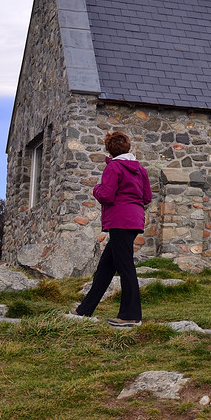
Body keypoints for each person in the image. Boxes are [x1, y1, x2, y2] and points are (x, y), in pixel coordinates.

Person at [70, 131, 152, 327]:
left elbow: (106, 195)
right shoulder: (140, 170)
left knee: (125, 267)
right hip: (133, 221)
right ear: (128, 147)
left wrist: (95, 189)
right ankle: (84, 311)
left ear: (109, 148)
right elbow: (147, 197)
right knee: (105, 268)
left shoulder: (114, 167)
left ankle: (131, 316)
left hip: (119, 221)